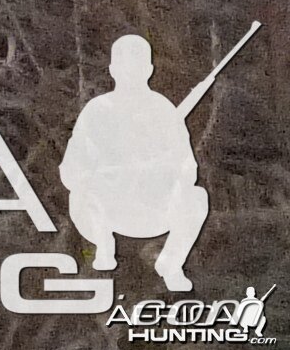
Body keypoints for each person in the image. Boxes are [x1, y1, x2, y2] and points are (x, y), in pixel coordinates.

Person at [62, 35, 212, 291]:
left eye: (137, 67)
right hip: (106, 209)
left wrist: (162, 171)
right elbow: (70, 169)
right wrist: (97, 175)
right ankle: (104, 245)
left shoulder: (163, 110)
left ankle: (171, 263)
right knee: (84, 194)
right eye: (124, 67)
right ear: (112, 70)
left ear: (149, 70)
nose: (131, 74)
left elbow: (188, 168)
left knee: (196, 198)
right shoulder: (96, 110)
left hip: (151, 207)